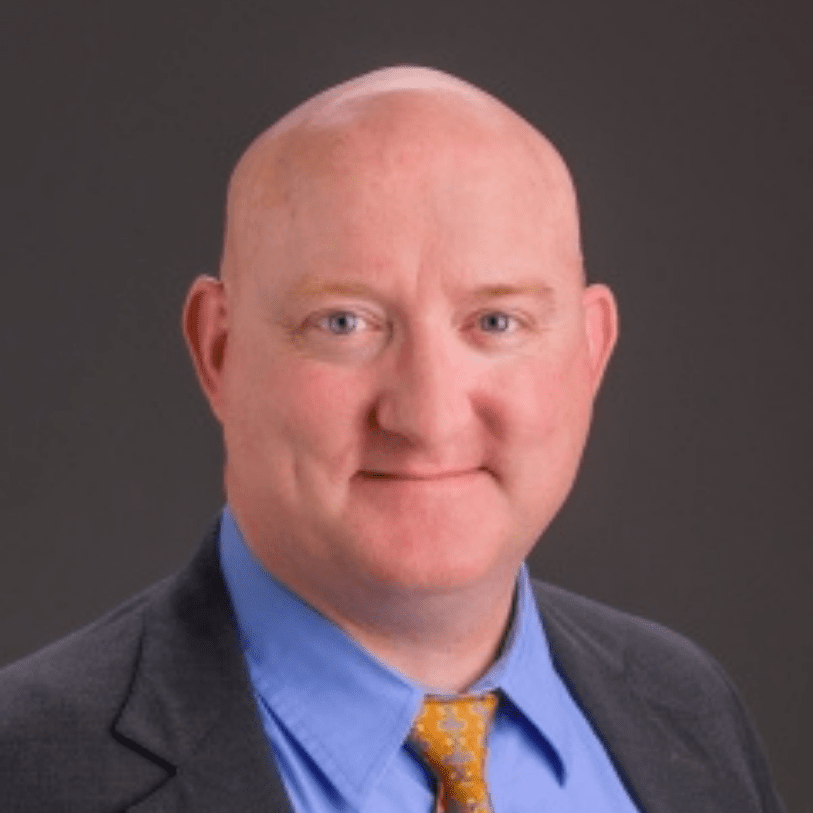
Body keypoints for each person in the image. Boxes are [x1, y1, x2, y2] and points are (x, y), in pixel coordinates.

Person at [0, 66, 784, 812]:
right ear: (218, 351)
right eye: (343, 322)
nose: (427, 417)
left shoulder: (685, 705)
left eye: (495, 322)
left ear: (589, 352)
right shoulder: (28, 765)